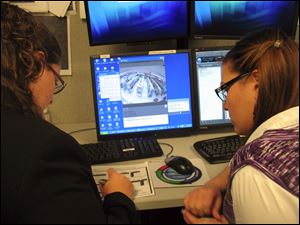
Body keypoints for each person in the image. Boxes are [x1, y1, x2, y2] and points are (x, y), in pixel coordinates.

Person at [1, 3, 139, 224]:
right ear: (34, 63)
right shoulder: (45, 149)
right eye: (56, 80)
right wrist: (119, 197)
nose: (52, 98)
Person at [183, 28, 299, 224]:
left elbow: (260, 166)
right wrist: (213, 185)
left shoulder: (257, 178)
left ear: (256, 82)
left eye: (226, 89)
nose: (225, 105)